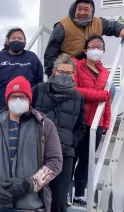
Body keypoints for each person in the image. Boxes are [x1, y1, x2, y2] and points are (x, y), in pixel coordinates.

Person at [0, 76, 63, 212]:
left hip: (33, 206)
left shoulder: (45, 126)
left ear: (29, 99)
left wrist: (29, 184)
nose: (17, 100)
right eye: (14, 96)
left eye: (22, 96)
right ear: (7, 99)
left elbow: (55, 162)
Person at [44, 0, 124, 100]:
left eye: (86, 9)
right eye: (79, 9)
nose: (82, 12)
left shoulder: (98, 23)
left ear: (92, 11)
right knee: (73, 93)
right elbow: (50, 54)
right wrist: (51, 77)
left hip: (89, 68)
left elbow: (113, 25)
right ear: (74, 9)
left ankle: (101, 116)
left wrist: (121, 29)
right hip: (69, 69)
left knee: (110, 88)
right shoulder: (62, 26)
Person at [31, 54, 85, 212]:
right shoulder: (39, 89)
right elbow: (27, 115)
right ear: (54, 71)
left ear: (74, 75)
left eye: (69, 73)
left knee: (59, 201)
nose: (65, 75)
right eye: (62, 71)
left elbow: (81, 126)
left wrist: (70, 141)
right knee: (34, 197)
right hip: (37, 151)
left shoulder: (78, 97)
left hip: (64, 154)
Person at [70, 35, 112, 206]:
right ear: (85, 50)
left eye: (100, 47)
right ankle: (63, 192)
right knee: (70, 158)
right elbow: (74, 90)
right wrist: (98, 96)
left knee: (86, 161)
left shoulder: (105, 72)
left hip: (96, 124)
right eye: (93, 46)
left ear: (104, 51)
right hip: (77, 121)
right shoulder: (76, 66)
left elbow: (107, 100)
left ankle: (79, 194)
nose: (96, 50)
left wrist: (107, 122)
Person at [0, 27, 44, 119]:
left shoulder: (32, 58)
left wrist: (38, 109)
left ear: (25, 42)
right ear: (8, 41)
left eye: (20, 38)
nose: (17, 40)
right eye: (13, 38)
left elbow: (40, 85)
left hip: (26, 113)